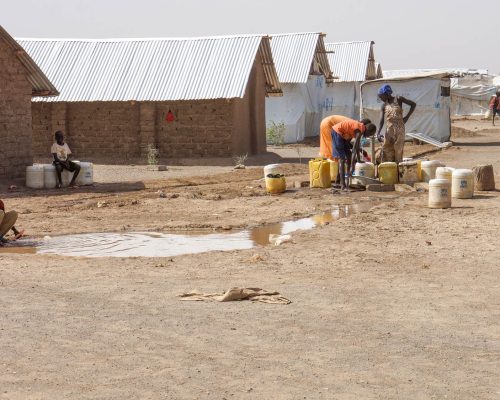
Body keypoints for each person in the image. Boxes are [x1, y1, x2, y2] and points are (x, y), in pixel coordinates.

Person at [331, 119, 377, 190]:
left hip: (342, 135)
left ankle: (342, 182)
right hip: (337, 132)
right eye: (369, 134)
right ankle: (343, 185)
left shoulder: (360, 128)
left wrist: (358, 160)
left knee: (349, 157)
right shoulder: (359, 130)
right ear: (368, 131)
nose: (367, 136)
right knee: (342, 159)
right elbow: (354, 150)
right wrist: (352, 166)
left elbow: (357, 147)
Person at [377, 84, 416, 163]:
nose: (381, 98)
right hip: (389, 130)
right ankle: (389, 170)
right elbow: (381, 120)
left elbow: (413, 104)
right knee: (387, 150)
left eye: (381, 96)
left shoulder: (398, 99)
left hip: (400, 130)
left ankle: (398, 172)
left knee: (398, 151)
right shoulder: (384, 105)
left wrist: (407, 117)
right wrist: (378, 132)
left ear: (386, 94)